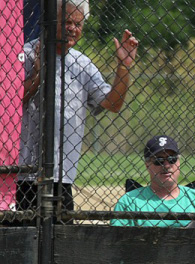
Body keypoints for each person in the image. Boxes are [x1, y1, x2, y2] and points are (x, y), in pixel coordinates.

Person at [16, 0, 139, 217]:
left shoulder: (82, 64)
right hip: (22, 176)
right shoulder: (24, 55)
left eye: (79, 24)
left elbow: (112, 103)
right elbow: (12, 102)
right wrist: (38, 74)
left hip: (61, 177)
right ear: (51, 21)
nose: (73, 28)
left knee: (60, 243)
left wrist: (124, 67)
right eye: (67, 21)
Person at [111, 135, 195, 228]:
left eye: (172, 159)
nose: (166, 165)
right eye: (159, 160)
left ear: (179, 163)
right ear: (147, 165)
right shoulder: (129, 202)